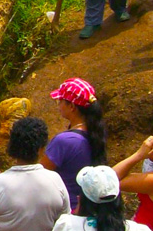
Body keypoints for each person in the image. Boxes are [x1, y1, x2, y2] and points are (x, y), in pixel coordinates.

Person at [41, 78, 108, 209]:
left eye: (60, 101)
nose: (58, 105)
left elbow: (39, 175)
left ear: (71, 106)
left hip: (66, 210)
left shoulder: (64, 141)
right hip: (90, 207)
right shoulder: (96, 134)